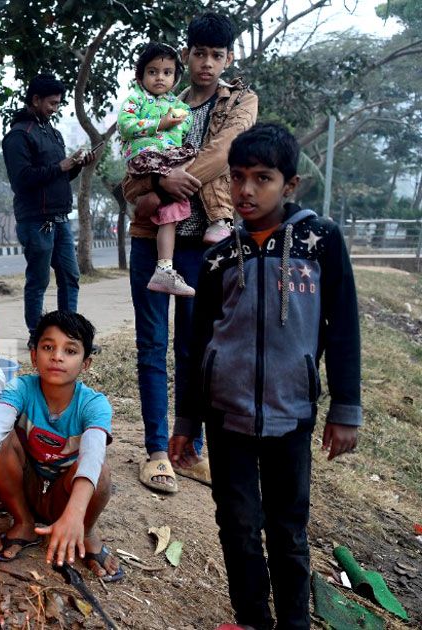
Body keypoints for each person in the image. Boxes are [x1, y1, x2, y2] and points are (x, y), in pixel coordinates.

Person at [172, 124, 361, 630]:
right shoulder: (216, 258)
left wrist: (345, 409)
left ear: (290, 184)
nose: (246, 191)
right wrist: (187, 420)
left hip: (292, 414)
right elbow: (195, 346)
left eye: (263, 178)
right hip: (225, 417)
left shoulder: (320, 242)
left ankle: (294, 622)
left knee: (287, 530)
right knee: (236, 526)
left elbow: (343, 327)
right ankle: (252, 619)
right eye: (237, 178)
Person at [123, 12, 258, 494]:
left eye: (216, 55)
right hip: (152, 240)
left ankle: (188, 447)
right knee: (151, 345)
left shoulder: (240, 101)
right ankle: (158, 450)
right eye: (198, 53)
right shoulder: (158, 102)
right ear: (186, 55)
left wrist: (176, 179)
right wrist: (160, 182)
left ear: (228, 58)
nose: (207, 63)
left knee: (196, 348)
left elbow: (227, 151)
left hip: (207, 246)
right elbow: (130, 182)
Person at [0, 311, 121, 581]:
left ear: (85, 364)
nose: (57, 356)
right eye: (48, 347)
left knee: (100, 471)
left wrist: (75, 515)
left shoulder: (94, 404)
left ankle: (84, 532)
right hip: (27, 488)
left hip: (68, 498)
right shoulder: (21, 388)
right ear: (33, 355)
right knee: (0, 441)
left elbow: (93, 454)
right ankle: (24, 523)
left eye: (70, 350)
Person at [119, 42, 230, 297]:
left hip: (166, 162)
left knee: (173, 206)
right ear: (140, 76)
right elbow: (125, 126)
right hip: (145, 159)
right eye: (153, 72)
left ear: (176, 77)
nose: (160, 77)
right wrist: (161, 123)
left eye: (167, 73)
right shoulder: (135, 100)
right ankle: (164, 267)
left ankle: (165, 268)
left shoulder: (178, 107)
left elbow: (180, 137)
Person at [2, 73, 97, 334]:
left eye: (58, 104)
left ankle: (69, 335)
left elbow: (61, 176)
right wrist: (61, 166)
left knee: (70, 277)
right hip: (36, 220)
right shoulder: (18, 136)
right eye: (51, 103)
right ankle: (37, 336)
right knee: (39, 281)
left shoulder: (53, 133)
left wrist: (77, 165)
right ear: (35, 99)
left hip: (61, 219)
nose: (55, 109)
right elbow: (21, 180)